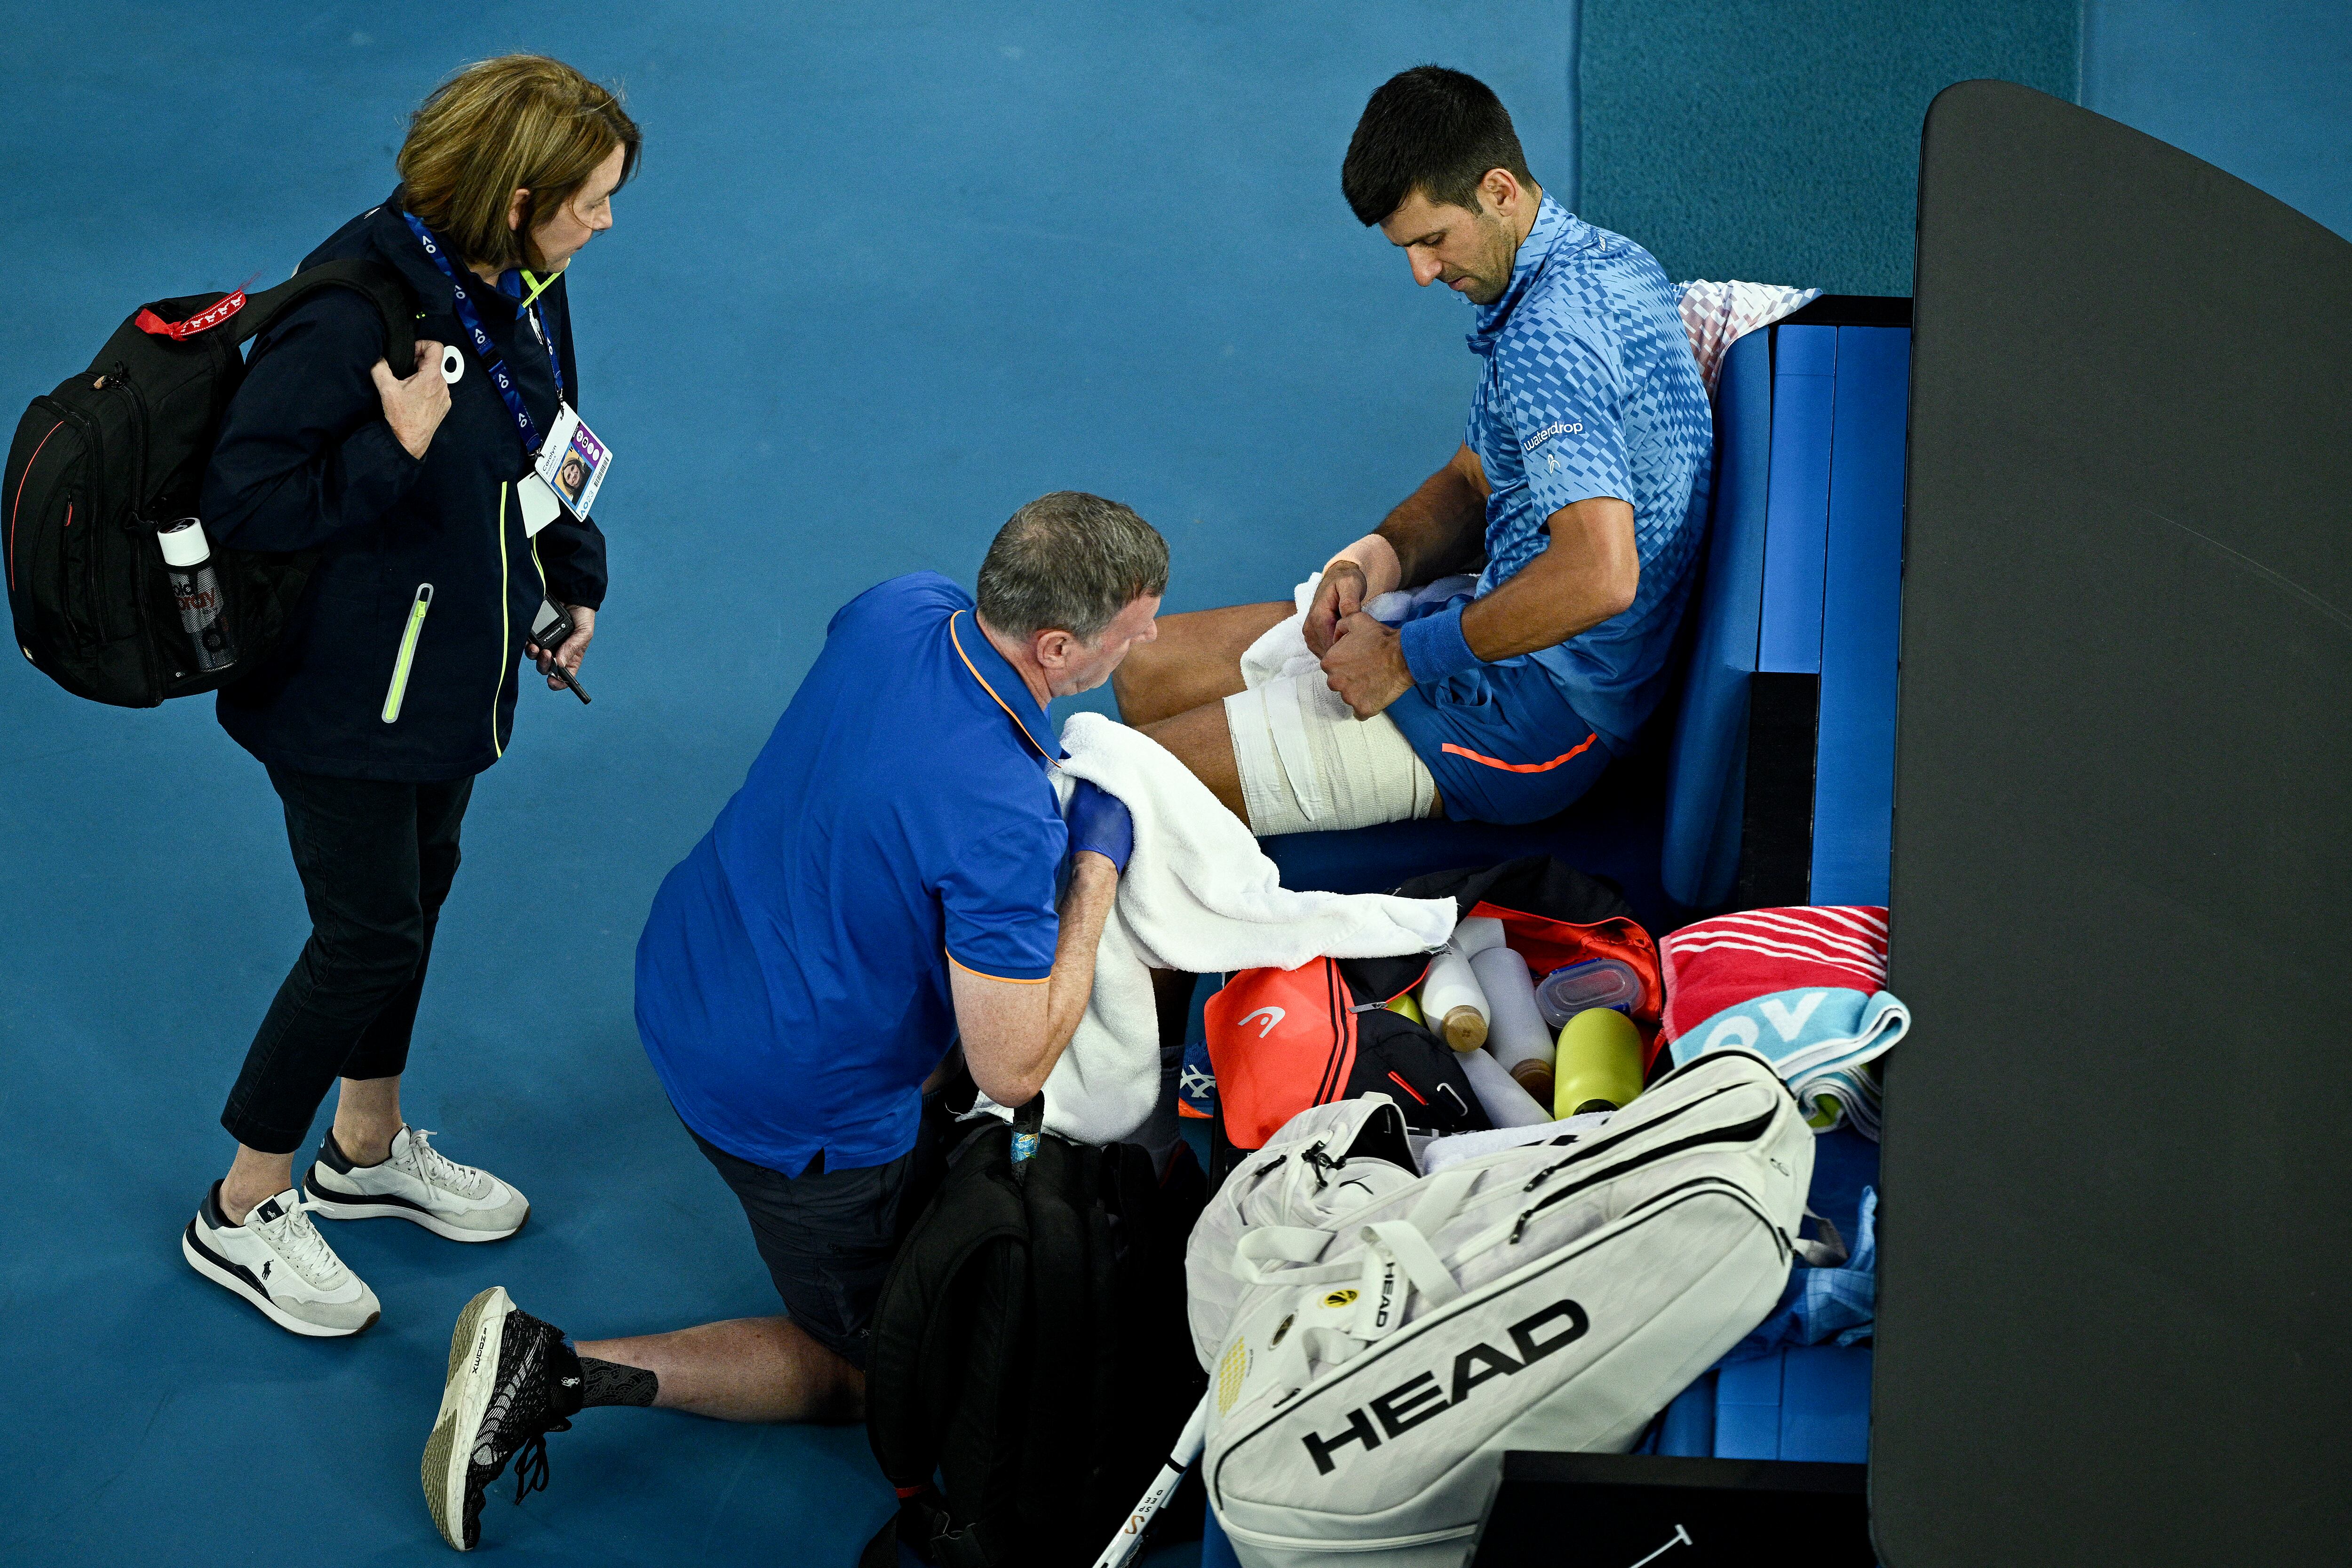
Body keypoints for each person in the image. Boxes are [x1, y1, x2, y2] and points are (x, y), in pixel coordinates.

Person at [413, 493, 1164, 1552]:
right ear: (1055, 643)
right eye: (1138, 622)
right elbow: (1013, 1057)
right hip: (790, 1100)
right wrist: (1091, 868)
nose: (1151, 638)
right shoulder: (999, 810)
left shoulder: (905, 606)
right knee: (876, 1366)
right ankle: (550, 1367)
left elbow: (887, 771)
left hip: (688, 969)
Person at [180, 55, 640, 1337]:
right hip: (339, 698)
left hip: (452, 673)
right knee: (367, 931)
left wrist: (569, 576)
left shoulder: (526, 285)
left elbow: (551, 435)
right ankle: (243, 1200)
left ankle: (365, 1145)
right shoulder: (351, 310)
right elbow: (249, 503)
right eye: (589, 200)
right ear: (514, 195)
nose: (605, 223)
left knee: (419, 893)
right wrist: (398, 445)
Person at [1114, 65, 1712, 833]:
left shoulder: (1549, 338)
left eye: (1433, 240)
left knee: (1127, 793)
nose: (1423, 274)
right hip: (1491, 625)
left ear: (1499, 189)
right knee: (1144, 668)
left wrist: (1403, 658)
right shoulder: (1605, 261)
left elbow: (1601, 575)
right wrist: (1374, 558)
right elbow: (1473, 481)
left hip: (1543, 715)